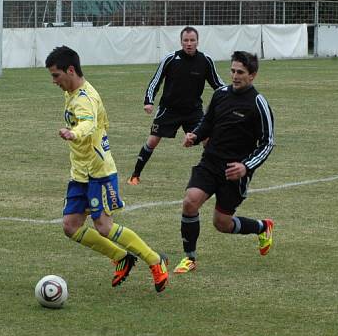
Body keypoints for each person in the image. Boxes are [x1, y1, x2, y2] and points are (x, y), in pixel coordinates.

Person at [46, 45, 169, 292]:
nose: (54, 81)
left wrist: (73, 132)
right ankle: (122, 257)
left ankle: (155, 261)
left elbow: (89, 124)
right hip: (80, 172)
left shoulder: (85, 99)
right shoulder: (72, 92)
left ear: (70, 70)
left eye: (56, 75)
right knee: (71, 226)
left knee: (103, 226)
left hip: (98, 172)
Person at [173, 51, 275, 274]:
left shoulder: (258, 103)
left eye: (241, 72)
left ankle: (262, 227)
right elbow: (207, 123)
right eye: (232, 71)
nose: (235, 76)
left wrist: (245, 166)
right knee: (190, 202)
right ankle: (189, 258)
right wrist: (195, 136)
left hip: (234, 172)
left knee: (222, 224)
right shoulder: (220, 94)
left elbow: (267, 143)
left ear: (252, 75)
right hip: (210, 163)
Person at [127, 26, 225, 185]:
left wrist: (230, 96)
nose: (189, 43)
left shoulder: (205, 61)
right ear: (181, 42)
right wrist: (148, 101)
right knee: (152, 141)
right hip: (169, 110)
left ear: (197, 41)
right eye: (186, 40)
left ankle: (216, 174)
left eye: (192, 40)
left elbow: (218, 84)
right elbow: (155, 81)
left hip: (193, 111)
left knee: (208, 140)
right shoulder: (171, 59)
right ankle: (135, 175)